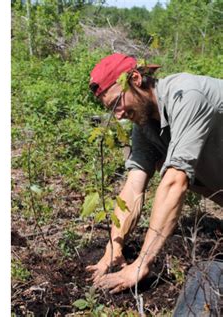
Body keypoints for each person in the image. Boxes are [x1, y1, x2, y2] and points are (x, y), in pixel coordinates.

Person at [85, 53, 223, 294]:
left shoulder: (187, 96)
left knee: (172, 171)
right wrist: (113, 248)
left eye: (117, 103)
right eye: (110, 109)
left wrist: (141, 264)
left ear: (136, 79)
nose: (117, 115)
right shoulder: (146, 125)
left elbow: (174, 183)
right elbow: (132, 188)